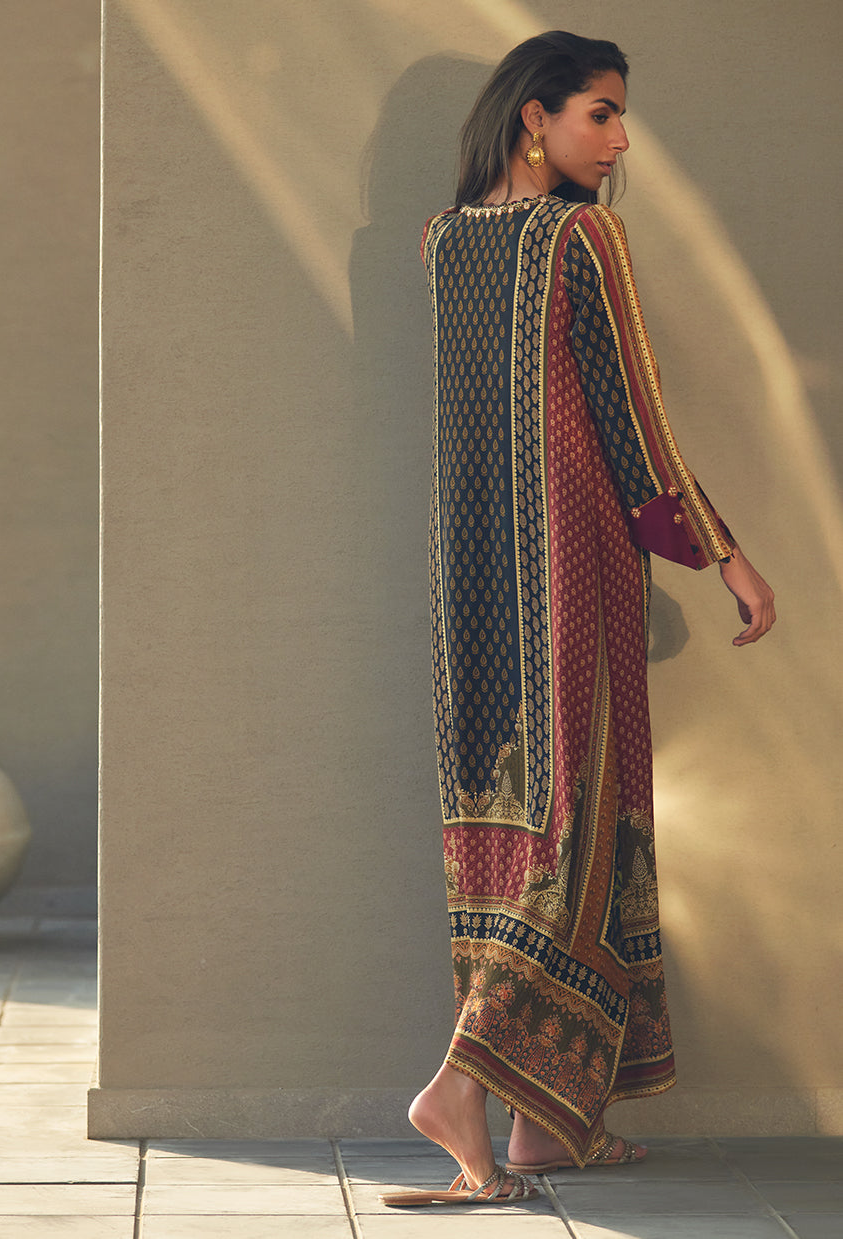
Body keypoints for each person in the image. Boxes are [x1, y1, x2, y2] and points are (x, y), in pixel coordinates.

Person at [381, 31, 776, 1209]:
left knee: (509, 831)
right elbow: (632, 418)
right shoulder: (580, 238)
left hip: (471, 584)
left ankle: (547, 1128)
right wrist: (723, 553)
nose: (618, 139)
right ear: (533, 118)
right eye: (599, 113)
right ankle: (460, 1090)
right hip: (572, 558)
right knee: (583, 826)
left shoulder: (441, 241)